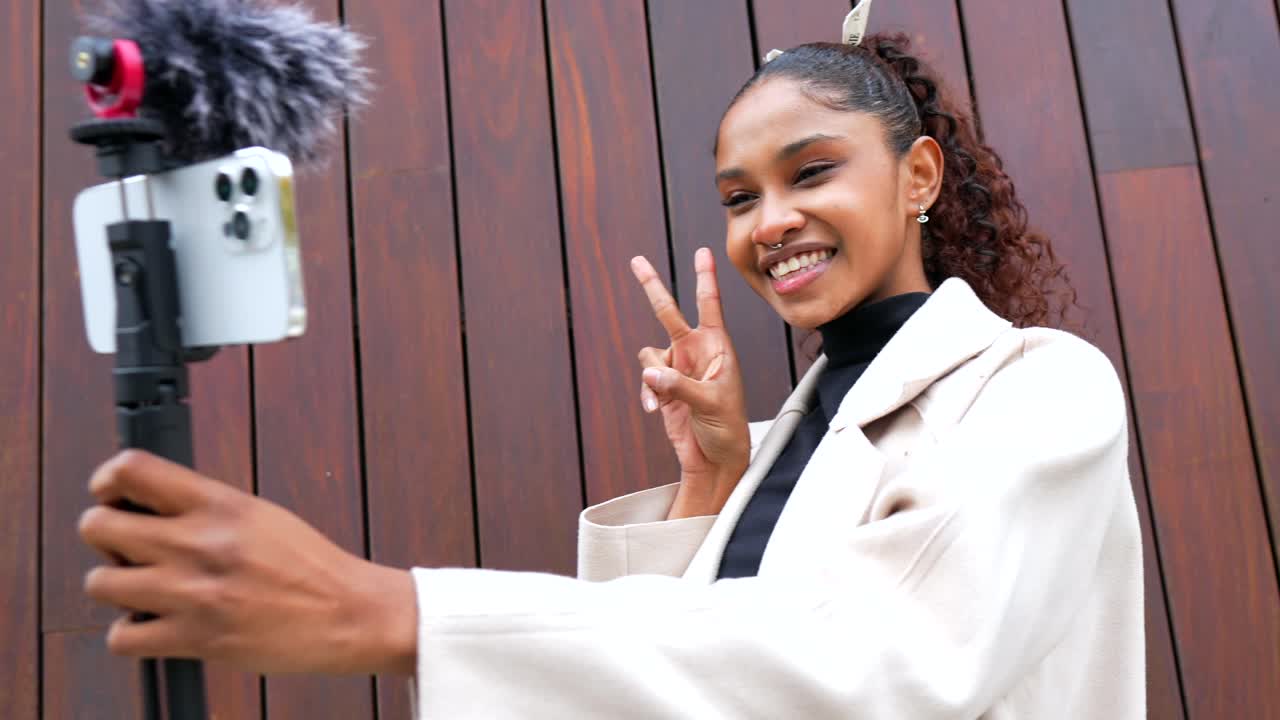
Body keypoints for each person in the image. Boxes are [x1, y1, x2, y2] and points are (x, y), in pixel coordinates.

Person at [77, 31, 1144, 719]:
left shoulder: (1038, 388)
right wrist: (710, 484)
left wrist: (390, 613)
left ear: (916, 174)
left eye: (810, 170)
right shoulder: (795, 431)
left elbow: (883, 660)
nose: (769, 221)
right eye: (736, 197)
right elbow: (677, 687)